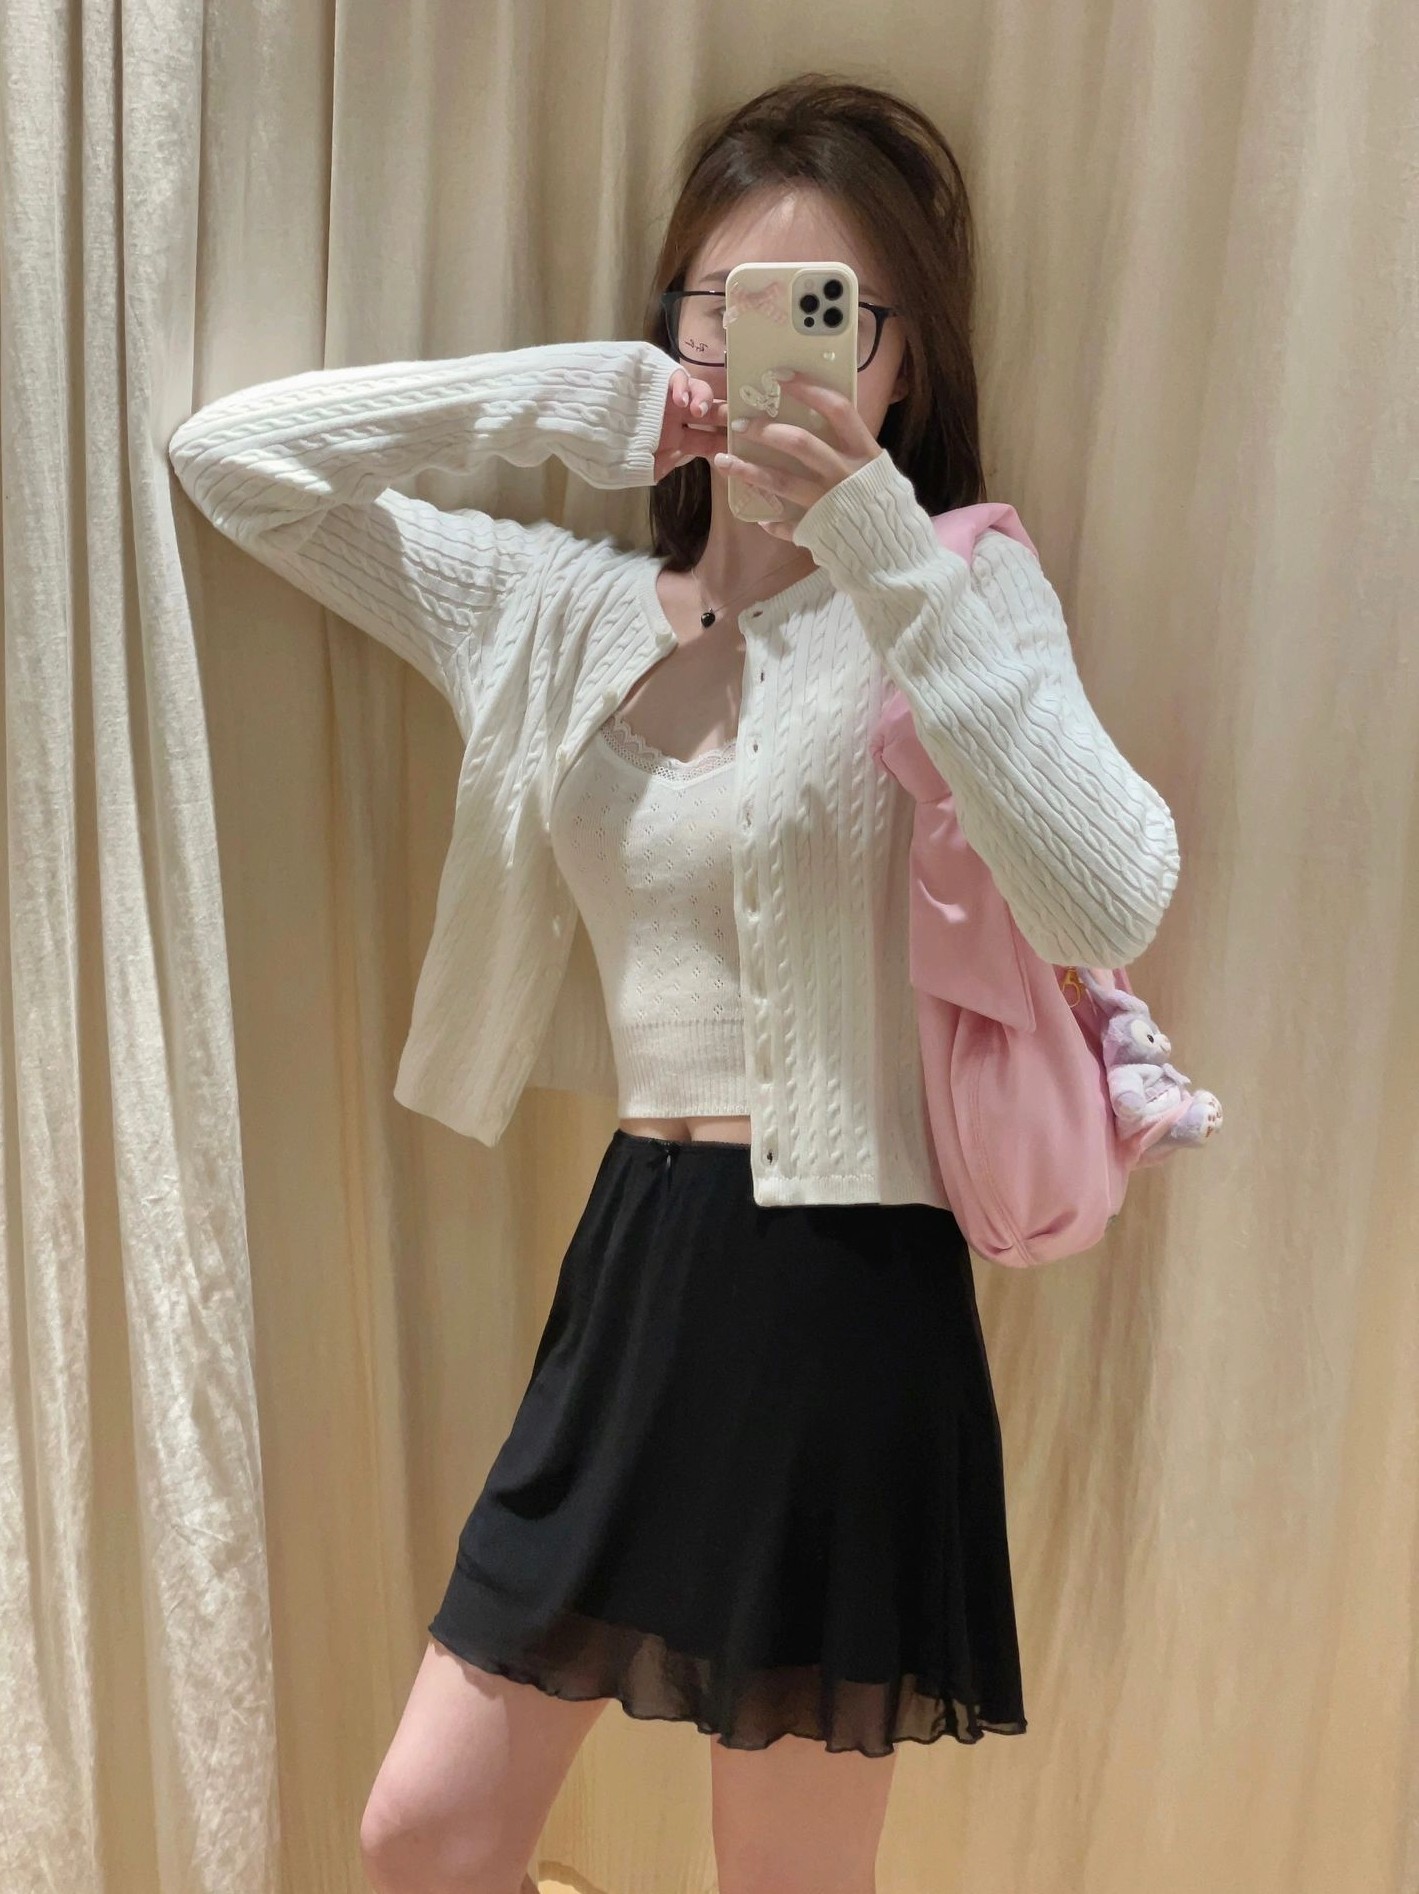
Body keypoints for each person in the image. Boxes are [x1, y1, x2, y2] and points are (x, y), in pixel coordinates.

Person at [169, 70, 1180, 1894]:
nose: (767, 350)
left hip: (852, 1286)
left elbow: (1112, 884)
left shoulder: (956, 591)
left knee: (784, 1877)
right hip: (641, 1255)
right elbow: (234, 463)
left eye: (830, 314)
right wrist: (592, 403)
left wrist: (883, 549)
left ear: (903, 365)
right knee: (425, 1829)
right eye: (724, 304)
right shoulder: (552, 612)